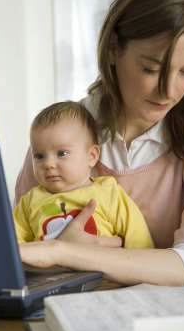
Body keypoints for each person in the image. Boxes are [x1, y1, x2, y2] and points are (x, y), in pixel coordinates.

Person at [14, 0, 184, 287]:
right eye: (151, 68)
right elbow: (15, 256)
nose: (169, 91)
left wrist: (63, 251)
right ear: (113, 49)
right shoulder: (62, 132)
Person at [13, 101, 154, 249]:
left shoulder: (108, 193)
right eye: (39, 156)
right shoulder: (29, 202)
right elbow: (13, 249)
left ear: (92, 156)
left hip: (103, 269)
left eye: (62, 153)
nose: (48, 164)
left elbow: (139, 239)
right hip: (50, 271)